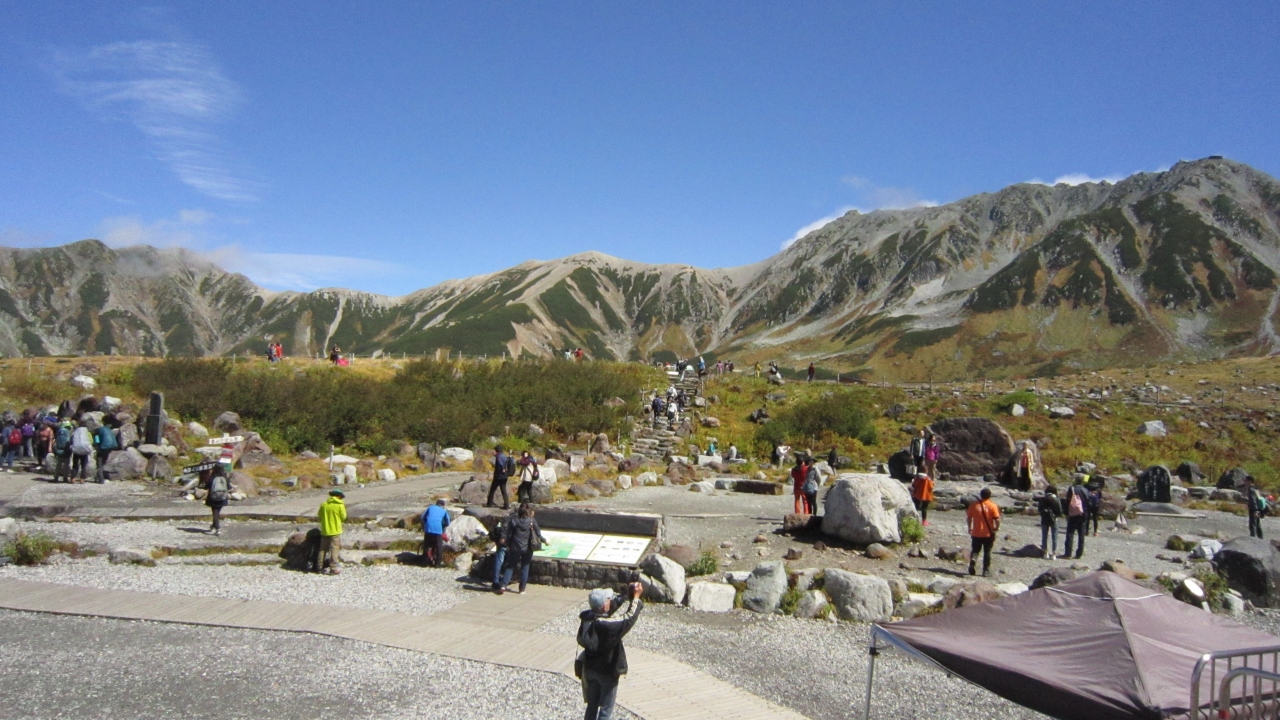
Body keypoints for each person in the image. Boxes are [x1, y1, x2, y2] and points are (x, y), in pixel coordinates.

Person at [577, 582, 644, 720]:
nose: (610, 601)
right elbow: (629, 618)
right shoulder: (608, 626)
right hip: (607, 672)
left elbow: (609, 607)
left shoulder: (588, 618)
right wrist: (636, 597)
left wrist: (626, 595)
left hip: (590, 669)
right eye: (608, 599)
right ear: (603, 606)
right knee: (606, 710)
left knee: (592, 705)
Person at [497, 503, 546, 595]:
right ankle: (522, 589)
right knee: (525, 567)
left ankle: (503, 585)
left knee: (510, 566)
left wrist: (506, 542)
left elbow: (508, 532)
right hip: (527, 547)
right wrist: (544, 541)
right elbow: (538, 533)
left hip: (515, 547)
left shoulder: (514, 520)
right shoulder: (532, 521)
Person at [966, 487, 1001, 577]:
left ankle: (973, 560)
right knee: (987, 551)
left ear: (981, 495)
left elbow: (969, 517)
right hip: (987, 533)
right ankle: (985, 571)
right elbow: (997, 519)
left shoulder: (974, 505)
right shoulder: (992, 505)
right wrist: (996, 528)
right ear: (989, 496)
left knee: (975, 550)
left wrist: (970, 528)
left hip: (976, 532)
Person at [317, 489, 347, 575]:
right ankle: (333, 568)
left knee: (322, 549)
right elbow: (343, 517)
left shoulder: (324, 505)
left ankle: (319, 567)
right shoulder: (340, 505)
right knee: (334, 549)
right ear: (338, 496)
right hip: (335, 531)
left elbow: (319, 515)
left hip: (325, 530)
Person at [1063, 478, 1090, 560]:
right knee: (1081, 535)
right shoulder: (1086, 490)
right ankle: (1079, 554)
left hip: (1073, 513)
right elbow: (1088, 502)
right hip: (1083, 514)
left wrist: (1066, 513)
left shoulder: (1072, 489)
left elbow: (1068, 501)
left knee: (1070, 533)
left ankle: (1068, 553)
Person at [204, 462, 231, 536]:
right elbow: (229, 487)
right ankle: (213, 526)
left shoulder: (212, 477)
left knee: (215, 512)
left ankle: (217, 528)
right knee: (217, 512)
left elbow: (205, 487)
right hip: (222, 497)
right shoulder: (225, 477)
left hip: (213, 497)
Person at [422, 498, 450, 567]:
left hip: (428, 528)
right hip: (437, 529)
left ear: (436, 504)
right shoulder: (444, 511)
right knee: (439, 546)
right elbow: (448, 522)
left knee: (426, 545)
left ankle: (424, 562)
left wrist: (427, 523)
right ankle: (438, 563)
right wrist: (442, 526)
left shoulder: (430, 507)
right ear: (443, 505)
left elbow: (423, 517)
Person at [1038, 484, 1063, 559]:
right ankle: (1054, 554)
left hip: (1044, 519)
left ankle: (1045, 553)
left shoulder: (1042, 499)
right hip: (1054, 519)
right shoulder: (1056, 499)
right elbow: (1060, 511)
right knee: (1054, 537)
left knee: (1044, 536)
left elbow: (1039, 510)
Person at [487, 445, 514, 510]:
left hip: (498, 476)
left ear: (496, 450)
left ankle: (489, 503)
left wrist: (501, 470)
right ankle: (506, 505)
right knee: (504, 491)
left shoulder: (498, 456)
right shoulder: (505, 456)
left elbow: (500, 464)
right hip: (505, 476)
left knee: (492, 490)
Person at [490, 513, 509, 591]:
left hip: (500, 542)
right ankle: (502, 580)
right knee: (505, 562)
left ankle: (496, 580)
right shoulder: (514, 519)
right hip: (506, 543)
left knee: (499, 561)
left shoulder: (506, 520)